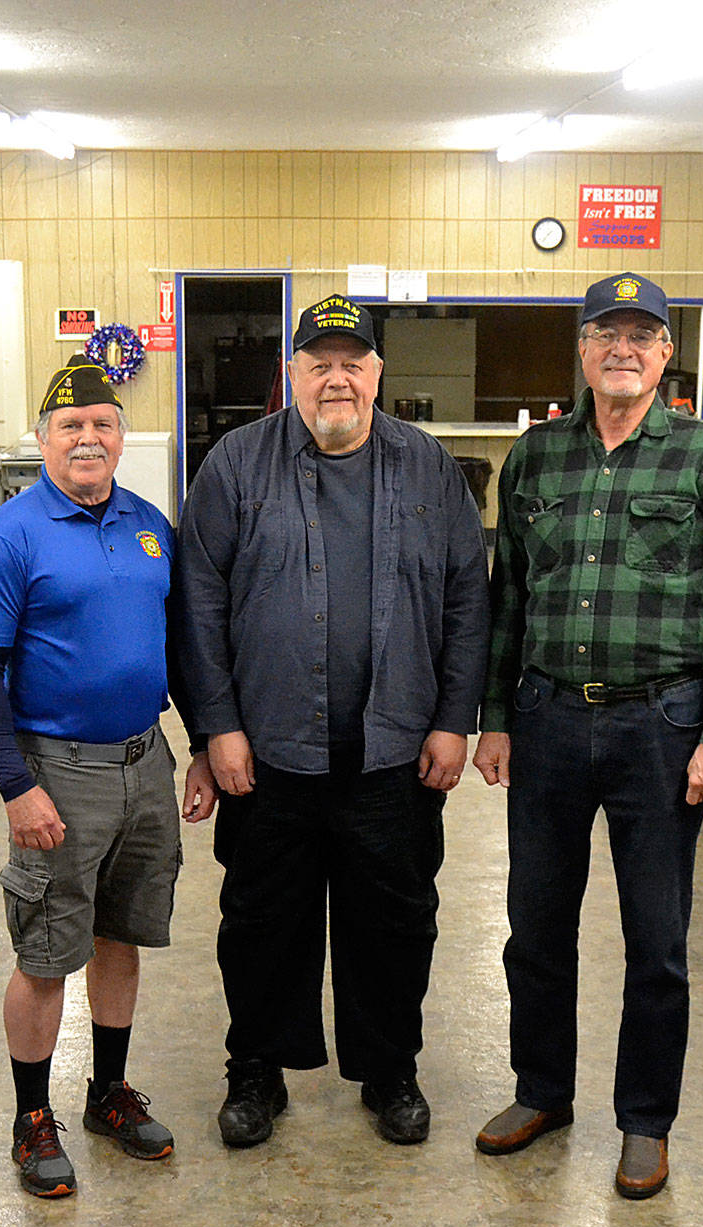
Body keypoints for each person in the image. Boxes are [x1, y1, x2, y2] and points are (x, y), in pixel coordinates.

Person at [471, 273, 703, 1200]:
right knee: (535, 928)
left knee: (657, 941)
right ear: (584, 348)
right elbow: (508, 600)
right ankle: (541, 1091)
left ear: (666, 352)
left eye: (642, 335)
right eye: (607, 333)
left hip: (662, 729)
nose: (623, 349)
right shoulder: (535, 459)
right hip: (548, 720)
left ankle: (645, 1120)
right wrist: (494, 717)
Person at [177, 294, 489, 1149]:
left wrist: (454, 719)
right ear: (294, 373)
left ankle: (391, 1069)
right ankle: (256, 1069)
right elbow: (197, 602)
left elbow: (468, 596)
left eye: (354, 363)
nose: (337, 379)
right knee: (260, 923)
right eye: (320, 364)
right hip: (268, 753)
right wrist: (216, 727)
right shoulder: (235, 465)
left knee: (393, 923)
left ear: (377, 374)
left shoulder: (428, 467)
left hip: (395, 753)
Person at [0, 356, 186, 1199]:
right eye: (70, 426)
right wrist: (17, 786)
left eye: (102, 424)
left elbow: (178, 645)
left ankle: (107, 1093)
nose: (88, 437)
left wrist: (198, 746)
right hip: (58, 771)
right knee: (47, 951)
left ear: (121, 436)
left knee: (121, 936)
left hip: (144, 761)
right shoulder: (8, 536)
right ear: (42, 439)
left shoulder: (150, 524)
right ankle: (31, 1116)